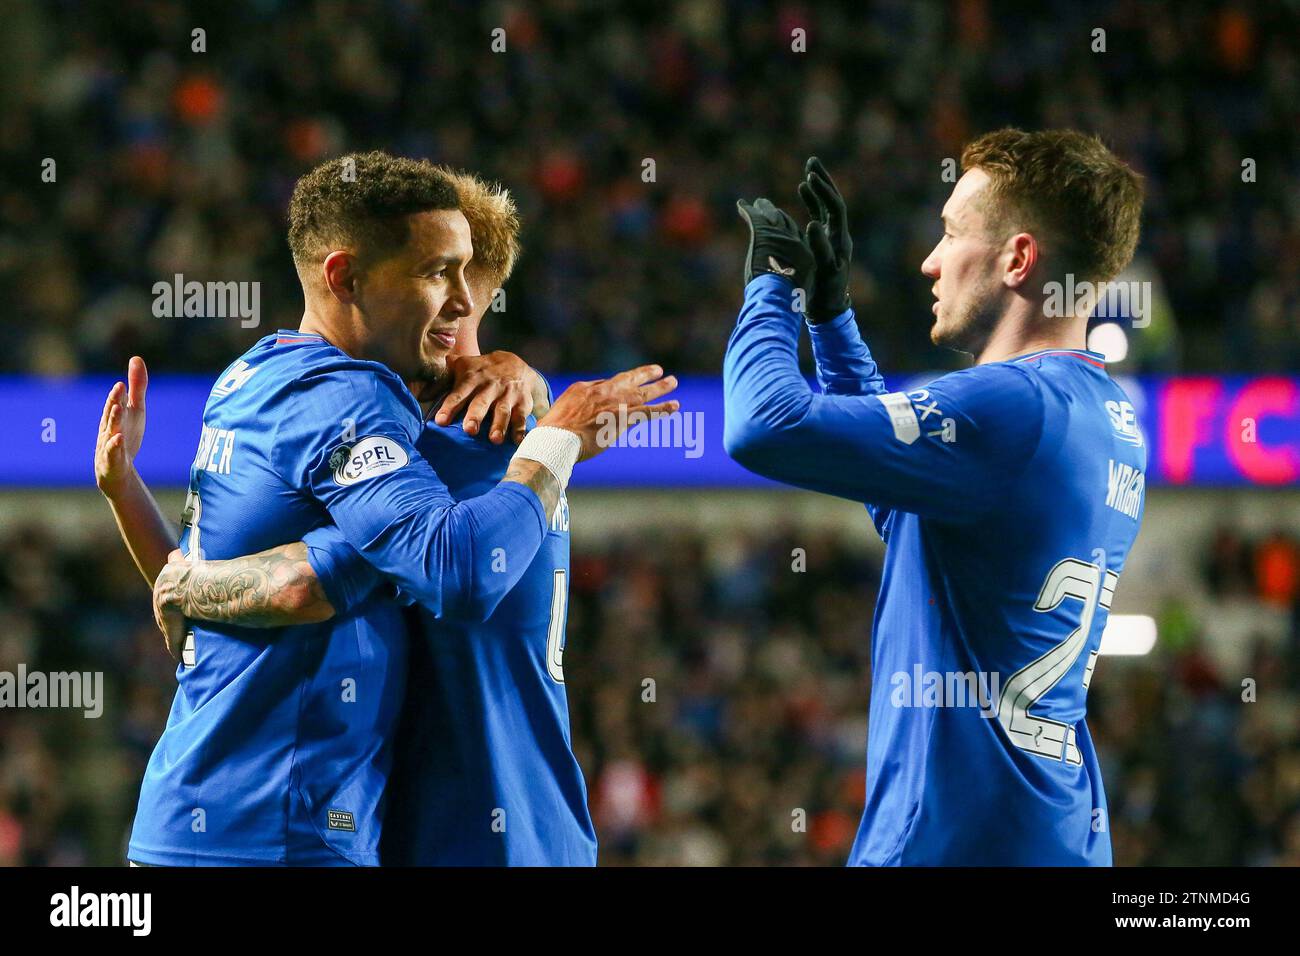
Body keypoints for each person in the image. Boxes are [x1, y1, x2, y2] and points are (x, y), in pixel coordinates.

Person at [95, 151, 676, 865]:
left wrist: (178, 573)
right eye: (438, 277)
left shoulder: (254, 379)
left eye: (470, 287)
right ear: (353, 279)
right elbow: (322, 577)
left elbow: (290, 582)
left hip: (448, 834)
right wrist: (553, 429)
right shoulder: (429, 438)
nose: (458, 312)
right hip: (411, 829)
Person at [725, 131, 1146, 865]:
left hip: (951, 841)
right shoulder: (1105, 419)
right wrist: (830, 320)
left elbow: (762, 426)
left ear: (1018, 259)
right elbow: (906, 508)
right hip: (1052, 832)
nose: (930, 260)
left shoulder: (1011, 405)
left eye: (951, 233)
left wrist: (772, 286)